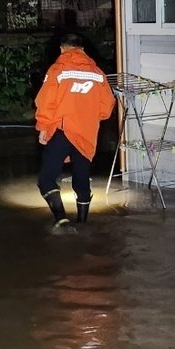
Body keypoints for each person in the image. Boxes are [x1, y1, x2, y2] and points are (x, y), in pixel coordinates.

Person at [34, 34, 116, 226]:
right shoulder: (97, 73)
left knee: (46, 178)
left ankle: (61, 218)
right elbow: (106, 108)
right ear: (82, 50)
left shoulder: (58, 69)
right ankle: (82, 224)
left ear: (63, 49)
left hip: (62, 131)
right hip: (87, 134)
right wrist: (87, 116)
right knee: (81, 179)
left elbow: (45, 102)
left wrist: (43, 127)